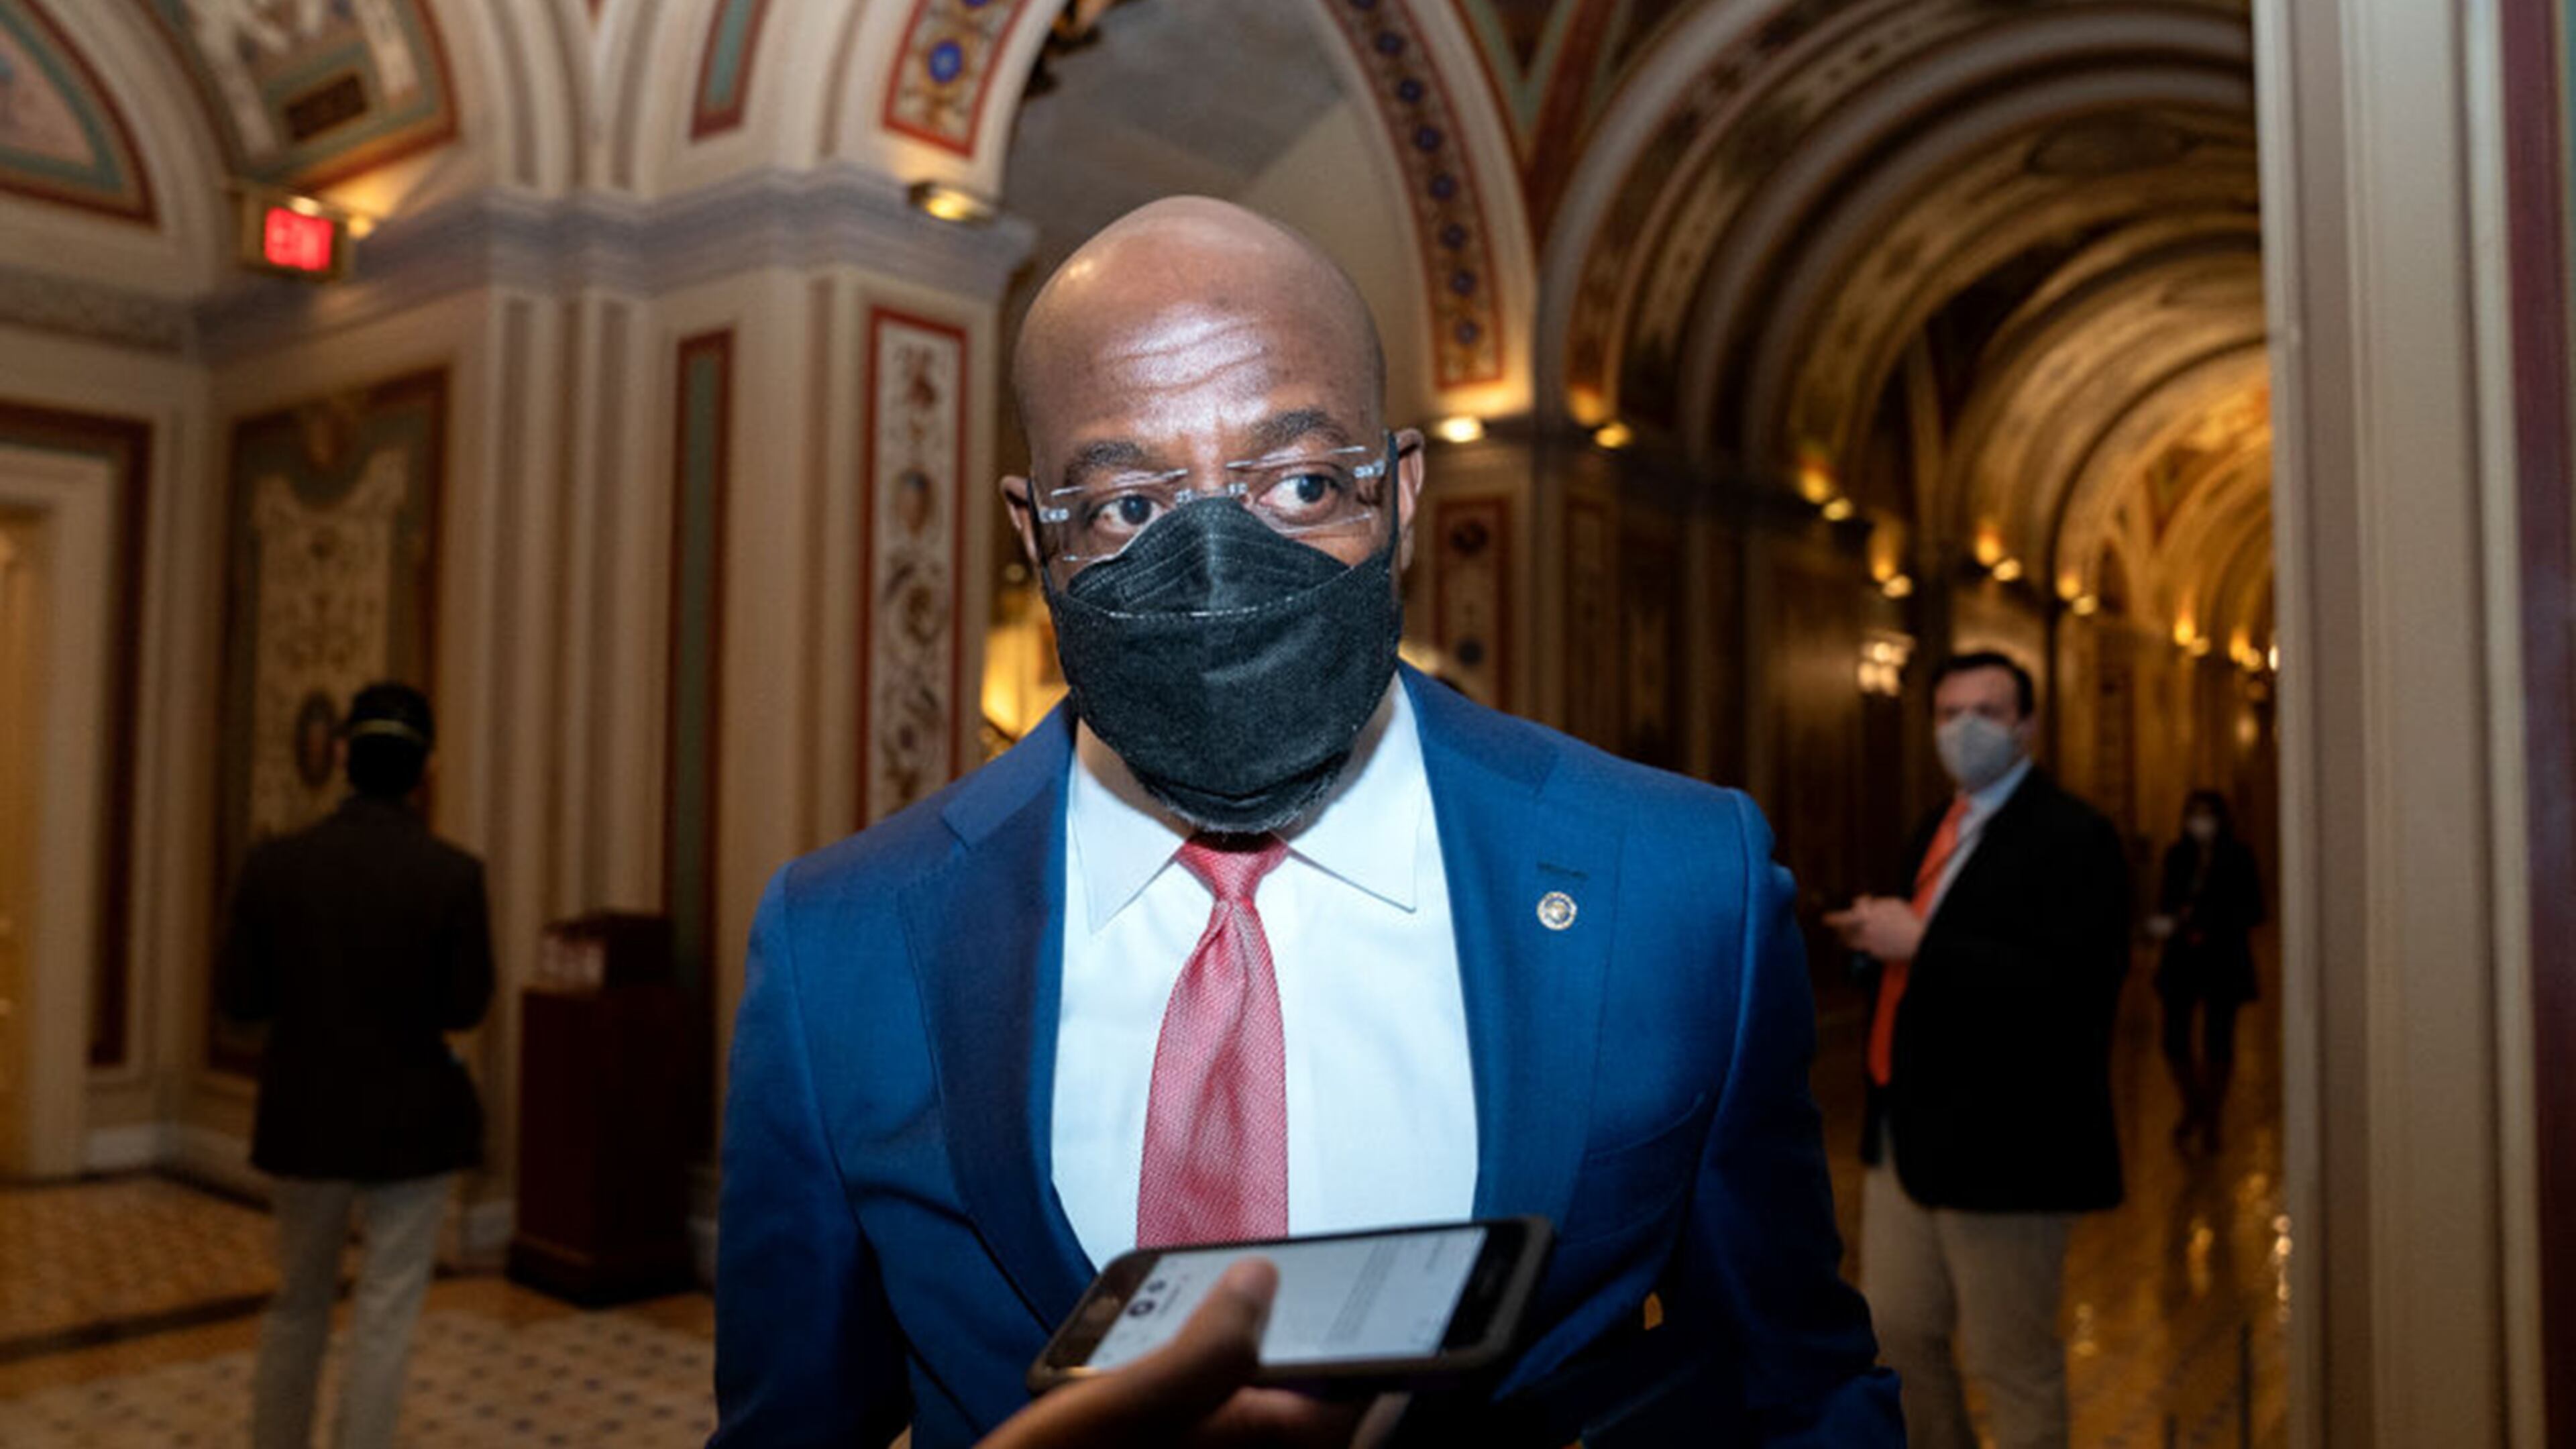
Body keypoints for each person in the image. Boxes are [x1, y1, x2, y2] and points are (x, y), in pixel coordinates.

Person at [710, 197, 1899, 1448]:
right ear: (1033, 537)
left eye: (1303, 483)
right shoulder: (843, 946)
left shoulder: (1674, 886)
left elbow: (1799, 1390)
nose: (1219, 565)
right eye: (1126, 507)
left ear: (1400, 494)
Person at [1826, 651, 2129, 1449]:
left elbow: (2073, 988)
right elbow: (1926, 960)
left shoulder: (2074, 837)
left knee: (2010, 1360)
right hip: (1905, 1131)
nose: (1964, 729)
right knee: (1898, 1334)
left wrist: (1923, 942)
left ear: (2026, 726)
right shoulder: (1939, 825)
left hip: (2007, 1144)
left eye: (1987, 712)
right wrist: (1875, 940)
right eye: (1948, 712)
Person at [219, 682, 494, 1449]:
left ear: (343, 755)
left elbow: (240, 999)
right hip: (413, 1126)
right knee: (386, 1312)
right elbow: (466, 1005)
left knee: (297, 1302)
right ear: (425, 770)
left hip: (305, 1117)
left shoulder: (276, 865)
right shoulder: (452, 875)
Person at [2147, 790, 2265, 1155]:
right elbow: (2166, 899)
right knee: (2174, 1039)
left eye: (2207, 814)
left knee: (2219, 1038)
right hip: (2182, 958)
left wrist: (2211, 922)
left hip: (2222, 957)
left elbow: (2255, 909)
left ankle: (2211, 1116)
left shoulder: (2239, 856)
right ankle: (2195, 1103)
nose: (2200, 821)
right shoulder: (2177, 855)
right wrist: (2168, 923)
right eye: (2193, 814)